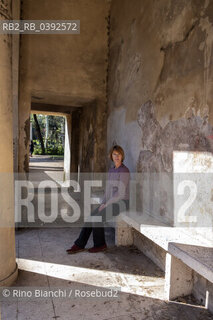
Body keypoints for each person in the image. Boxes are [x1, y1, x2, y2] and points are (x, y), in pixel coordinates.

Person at [66, 145, 130, 254]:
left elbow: (120, 194)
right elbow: (109, 190)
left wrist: (107, 204)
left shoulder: (124, 171)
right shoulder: (111, 170)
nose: (116, 156)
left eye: (118, 154)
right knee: (91, 216)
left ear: (122, 156)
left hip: (122, 202)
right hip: (111, 202)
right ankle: (79, 244)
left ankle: (100, 245)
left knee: (98, 217)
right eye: (114, 154)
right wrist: (103, 202)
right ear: (111, 156)